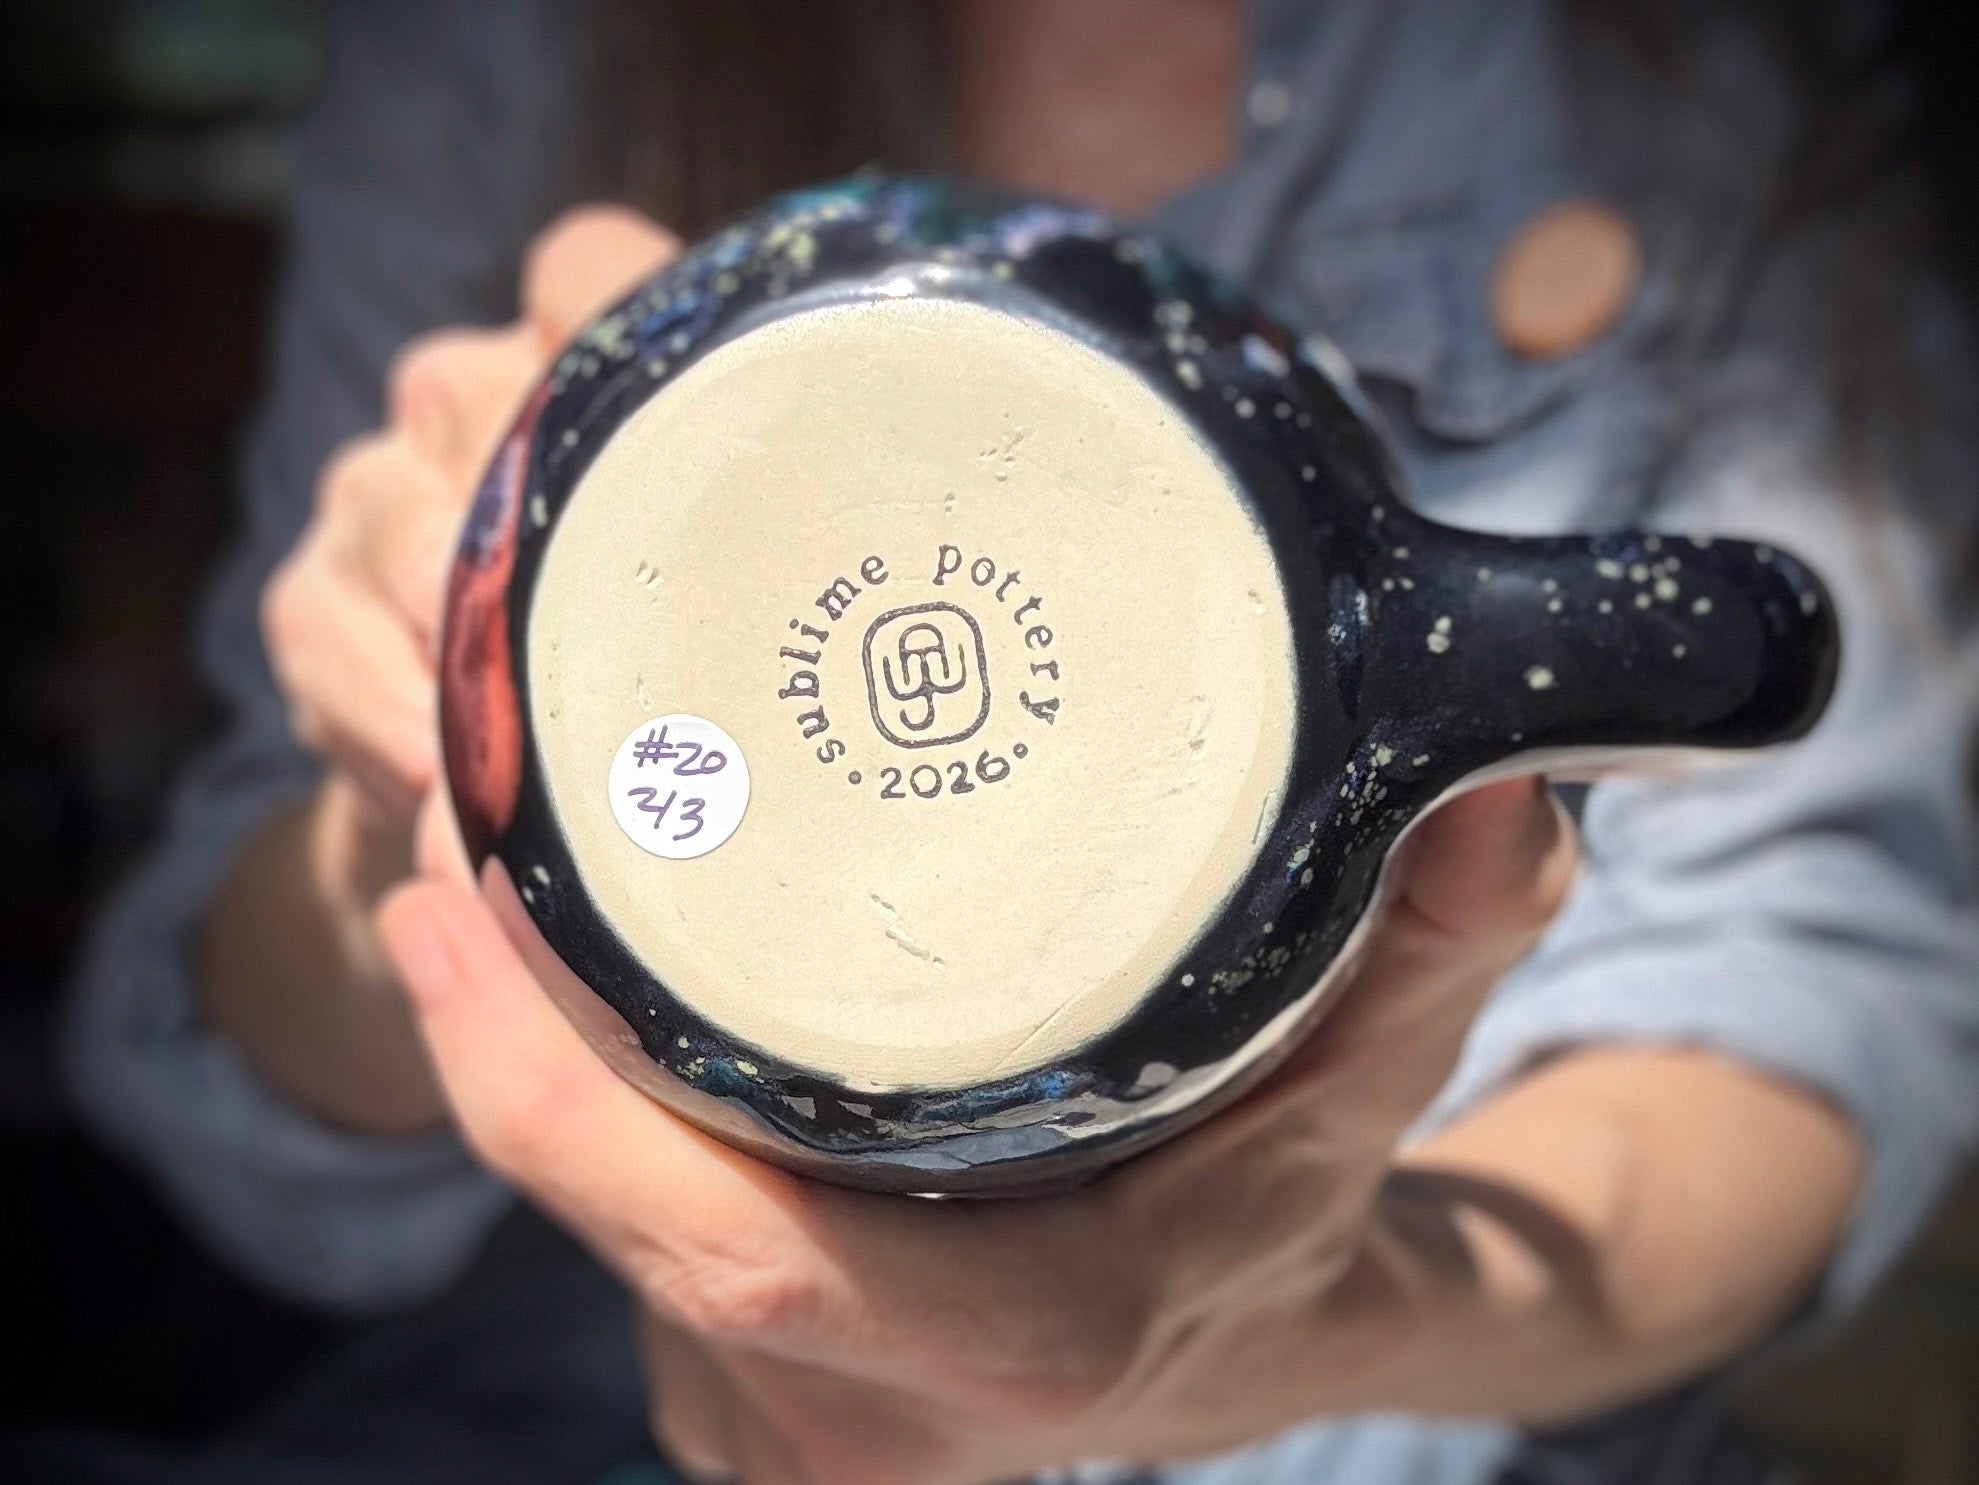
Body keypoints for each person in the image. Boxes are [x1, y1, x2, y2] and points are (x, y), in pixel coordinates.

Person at [60, 1, 1979, 1481]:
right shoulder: (510, 43)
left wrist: (1316, 1325)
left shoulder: (1686, 66)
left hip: (1428, 1406)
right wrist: (417, 802)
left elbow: (1822, 981)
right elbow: (245, 1133)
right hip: (589, 1365)